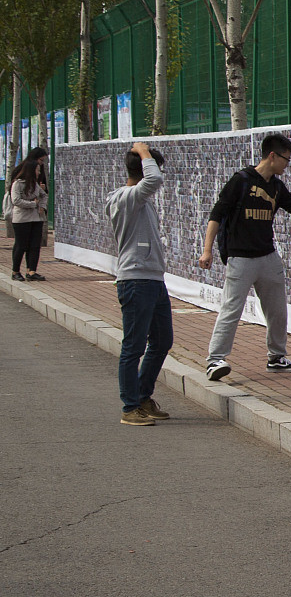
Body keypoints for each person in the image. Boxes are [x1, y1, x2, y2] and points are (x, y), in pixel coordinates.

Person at [200, 133, 291, 379]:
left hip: (268, 257)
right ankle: (215, 360)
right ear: (272, 156)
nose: (288, 164)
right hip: (240, 259)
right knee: (232, 309)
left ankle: (277, 357)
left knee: (277, 310)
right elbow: (216, 215)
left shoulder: (275, 186)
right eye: (286, 159)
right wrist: (207, 249)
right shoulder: (240, 181)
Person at [107, 143, 173, 426]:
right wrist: (143, 151)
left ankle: (143, 396)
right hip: (135, 280)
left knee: (162, 341)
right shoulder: (125, 198)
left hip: (153, 279)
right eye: (154, 167)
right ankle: (129, 407)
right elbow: (154, 179)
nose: (160, 176)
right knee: (133, 346)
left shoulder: (140, 200)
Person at [7, 145, 49, 281]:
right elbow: (16, 200)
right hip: (22, 219)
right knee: (21, 245)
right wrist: (33, 204)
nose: (39, 171)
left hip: (36, 217)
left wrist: (42, 206)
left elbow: (44, 195)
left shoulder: (35, 184)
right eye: (37, 169)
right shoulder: (18, 183)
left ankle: (31, 271)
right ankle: (15, 271)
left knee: (35, 245)